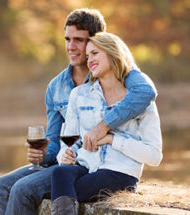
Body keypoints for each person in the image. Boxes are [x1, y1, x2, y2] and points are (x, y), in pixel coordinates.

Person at [0, 8, 157, 215]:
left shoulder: (125, 76)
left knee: (23, 189)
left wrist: (102, 128)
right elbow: (55, 143)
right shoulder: (56, 87)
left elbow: (146, 92)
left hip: (92, 167)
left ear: (97, 41)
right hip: (66, 163)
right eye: (67, 39)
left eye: (78, 40)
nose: (71, 47)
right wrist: (41, 154)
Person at [50, 32, 163, 215]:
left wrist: (112, 140)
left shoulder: (139, 100)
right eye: (87, 56)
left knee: (61, 191)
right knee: (60, 173)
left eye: (95, 53)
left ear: (112, 53)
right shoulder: (79, 95)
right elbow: (68, 142)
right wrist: (65, 155)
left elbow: (154, 156)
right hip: (86, 168)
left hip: (120, 173)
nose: (89, 60)